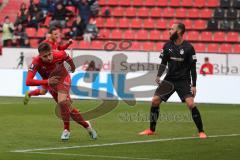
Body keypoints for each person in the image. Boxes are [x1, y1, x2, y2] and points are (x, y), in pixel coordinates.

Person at [139, 23, 207, 139]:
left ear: (179, 32)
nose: (169, 31)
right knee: (155, 100)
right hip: (169, 79)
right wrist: (158, 76)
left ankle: (201, 131)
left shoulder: (189, 48)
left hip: (183, 81)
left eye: (172, 29)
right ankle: (151, 129)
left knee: (191, 104)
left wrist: (194, 85)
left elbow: (192, 68)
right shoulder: (167, 46)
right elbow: (163, 62)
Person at [25, 42, 97, 140]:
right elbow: (28, 81)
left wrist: (73, 67)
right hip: (51, 83)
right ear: (40, 56)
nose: (49, 57)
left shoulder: (59, 54)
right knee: (68, 108)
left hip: (64, 78)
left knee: (62, 101)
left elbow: (68, 58)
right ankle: (87, 126)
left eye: (49, 54)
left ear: (52, 51)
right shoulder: (36, 62)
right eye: (45, 56)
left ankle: (66, 130)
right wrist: (47, 81)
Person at [23, 27, 73, 105]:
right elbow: (42, 57)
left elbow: (60, 49)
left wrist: (68, 44)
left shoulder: (55, 43)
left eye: (58, 34)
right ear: (50, 35)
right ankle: (68, 106)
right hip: (47, 72)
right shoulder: (46, 44)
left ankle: (29, 93)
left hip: (53, 71)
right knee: (56, 87)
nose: (57, 36)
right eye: (55, 34)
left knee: (44, 91)